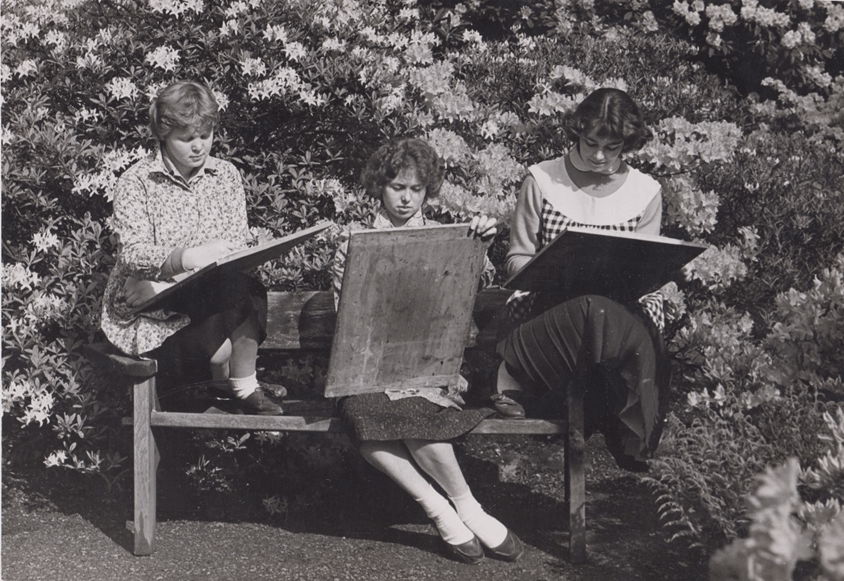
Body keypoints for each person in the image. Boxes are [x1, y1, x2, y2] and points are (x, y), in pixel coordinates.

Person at [332, 138, 524, 565]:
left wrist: (481, 242)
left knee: (415, 415)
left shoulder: (448, 237)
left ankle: (468, 507)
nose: (405, 197)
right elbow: (346, 319)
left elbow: (472, 292)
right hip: (366, 370)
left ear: (427, 191)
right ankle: (438, 508)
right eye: (397, 186)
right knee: (362, 416)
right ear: (379, 187)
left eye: (415, 189)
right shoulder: (355, 241)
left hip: (426, 369)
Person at [495, 88, 671, 472]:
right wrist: (549, 270)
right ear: (576, 132)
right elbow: (516, 259)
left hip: (616, 316)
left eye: (613, 147)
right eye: (590, 142)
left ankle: (616, 418)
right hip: (549, 315)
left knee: (607, 311)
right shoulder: (543, 180)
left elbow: (645, 270)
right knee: (592, 309)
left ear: (628, 144)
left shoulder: (646, 192)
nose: (598, 156)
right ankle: (631, 433)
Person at [100, 80, 285, 415]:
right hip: (152, 313)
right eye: (186, 138)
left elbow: (236, 244)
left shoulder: (225, 175)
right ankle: (223, 378)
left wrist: (162, 280)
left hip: (197, 294)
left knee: (246, 288)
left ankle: (243, 386)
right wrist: (184, 260)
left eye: (206, 135)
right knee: (216, 352)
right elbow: (132, 253)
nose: (199, 146)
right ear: (163, 136)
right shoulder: (138, 181)